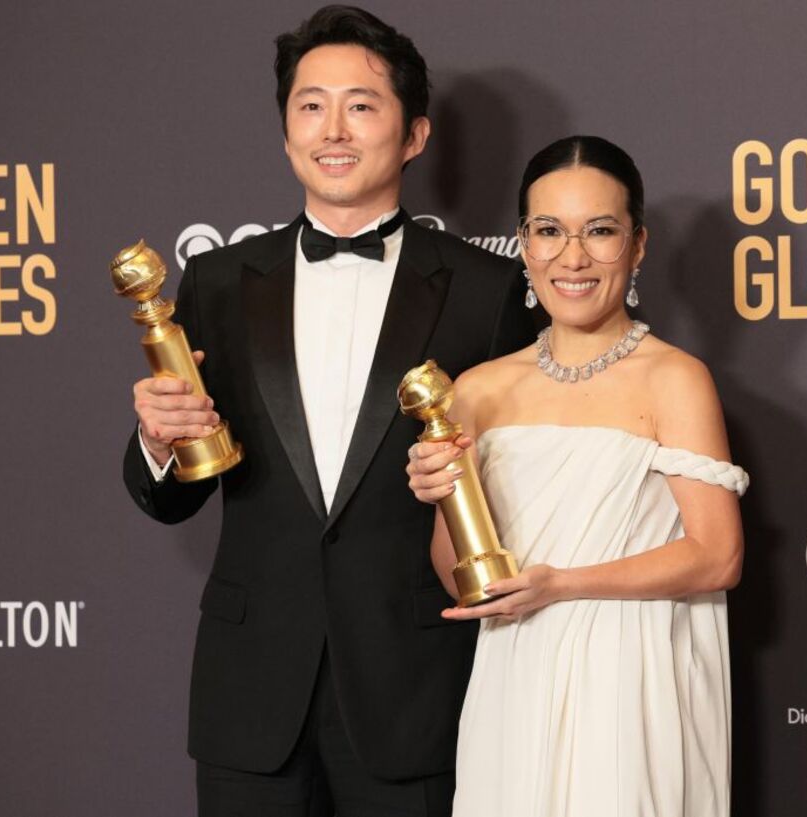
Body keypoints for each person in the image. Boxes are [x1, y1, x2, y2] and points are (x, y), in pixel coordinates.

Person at [121, 6, 534, 815]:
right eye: (310, 105)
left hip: (415, 692)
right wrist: (156, 441)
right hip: (250, 697)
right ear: (285, 132)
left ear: (415, 134)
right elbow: (174, 496)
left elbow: (517, 481)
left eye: (362, 104)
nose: (333, 128)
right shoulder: (214, 283)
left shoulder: (486, 292)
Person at [405, 135, 748, 816]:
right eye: (549, 231)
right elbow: (461, 577)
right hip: (514, 682)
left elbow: (719, 555)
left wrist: (562, 584)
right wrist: (445, 494)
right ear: (523, 243)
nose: (573, 257)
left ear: (638, 244)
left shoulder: (674, 379)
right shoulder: (475, 389)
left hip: (634, 682)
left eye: (600, 231)